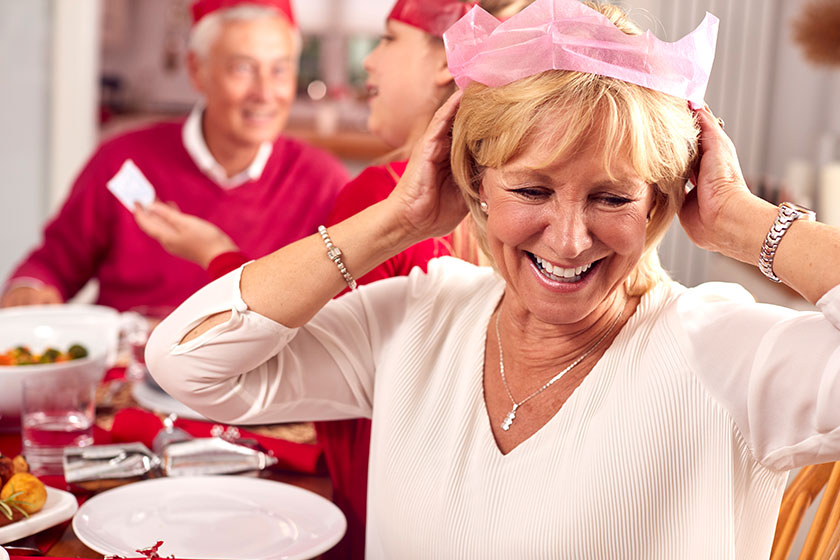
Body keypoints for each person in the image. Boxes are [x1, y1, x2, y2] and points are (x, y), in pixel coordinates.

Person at [146, 0, 840, 558]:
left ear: (661, 201)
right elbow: (188, 363)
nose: (570, 240)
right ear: (474, 186)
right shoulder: (420, 316)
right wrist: (394, 221)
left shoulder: (724, 347)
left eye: (613, 197)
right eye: (532, 192)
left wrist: (750, 226)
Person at [133, 2, 530, 557]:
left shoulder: (383, 196)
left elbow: (285, 350)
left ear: (445, 60)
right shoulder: (497, 201)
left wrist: (215, 254)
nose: (368, 64)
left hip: (370, 510)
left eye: (388, 40)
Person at [0, 0, 348, 312]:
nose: (265, 93)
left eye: (280, 69)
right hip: (127, 377)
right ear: (197, 71)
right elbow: (53, 263)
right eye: (243, 68)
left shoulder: (324, 181)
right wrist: (29, 288)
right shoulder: (123, 160)